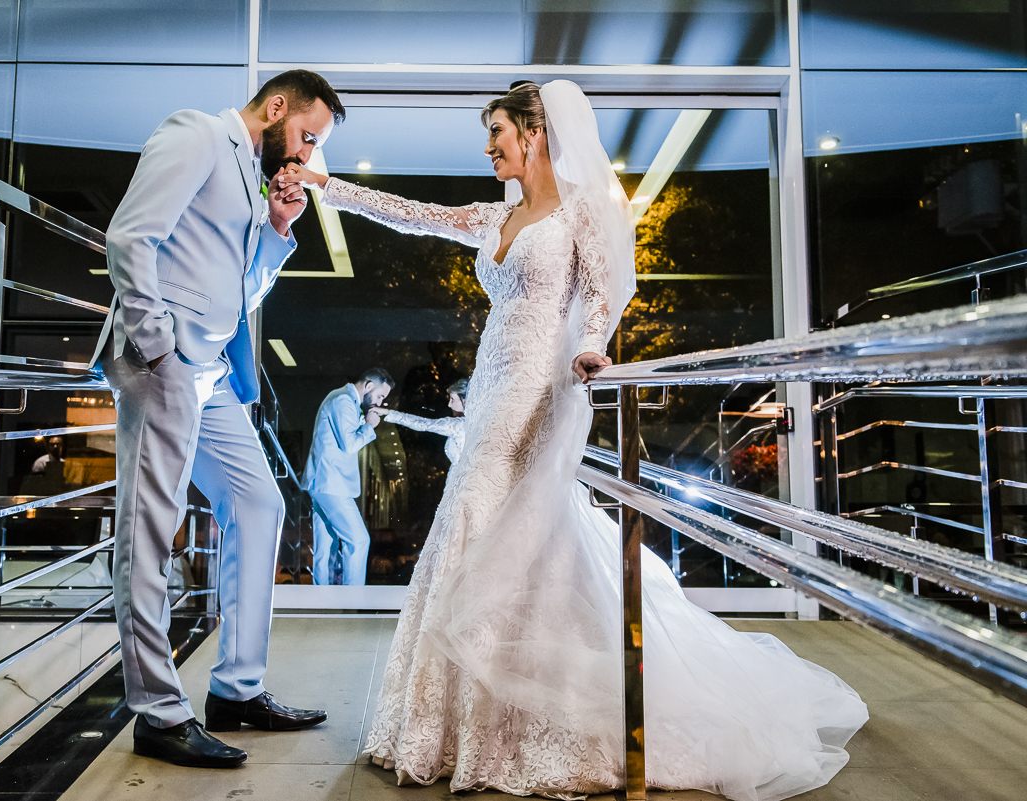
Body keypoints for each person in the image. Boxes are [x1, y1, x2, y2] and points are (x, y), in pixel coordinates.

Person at [278, 80, 867, 799]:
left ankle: (508, 729)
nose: (488, 147)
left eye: (497, 132)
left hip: (537, 390)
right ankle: (460, 725)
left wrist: (591, 345)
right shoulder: (496, 215)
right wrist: (327, 186)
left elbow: (603, 287)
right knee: (492, 528)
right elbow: (412, 215)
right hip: (490, 386)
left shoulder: (580, 209)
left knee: (491, 523)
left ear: (534, 133)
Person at [93, 70, 343, 770]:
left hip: (211, 375)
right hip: (165, 363)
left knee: (260, 504)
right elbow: (129, 237)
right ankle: (159, 713)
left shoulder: (251, 182)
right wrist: (158, 346)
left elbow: (240, 293)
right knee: (150, 529)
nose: (307, 154)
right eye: (308, 136)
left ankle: (237, 688)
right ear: (276, 107)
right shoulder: (198, 133)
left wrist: (278, 227)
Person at [302, 368, 394, 585]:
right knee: (359, 540)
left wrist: (363, 423)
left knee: (326, 547)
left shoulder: (343, 399)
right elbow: (349, 444)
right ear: (369, 386)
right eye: (380, 395)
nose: (379, 402)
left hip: (324, 482)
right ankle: (353, 598)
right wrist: (369, 426)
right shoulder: (343, 401)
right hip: (331, 483)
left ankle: (321, 598)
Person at [373, 377, 468, 464]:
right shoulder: (468, 424)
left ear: (465, 401)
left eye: (452, 399)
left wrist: (388, 412)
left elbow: (422, 424)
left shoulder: (459, 424)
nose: (449, 404)